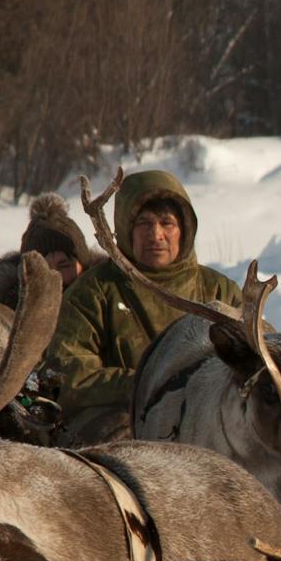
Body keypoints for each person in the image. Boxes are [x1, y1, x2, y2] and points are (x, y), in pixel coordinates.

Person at [44, 169, 240, 444]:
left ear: (184, 229)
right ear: (125, 229)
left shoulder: (220, 292)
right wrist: (146, 384)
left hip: (207, 424)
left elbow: (253, 366)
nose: (156, 234)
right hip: (120, 424)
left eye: (167, 223)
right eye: (144, 224)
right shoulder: (94, 292)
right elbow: (69, 374)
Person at [0, 192, 102, 307]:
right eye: (44, 270)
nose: (57, 278)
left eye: (64, 266)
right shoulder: (4, 316)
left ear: (83, 265)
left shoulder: (108, 304)